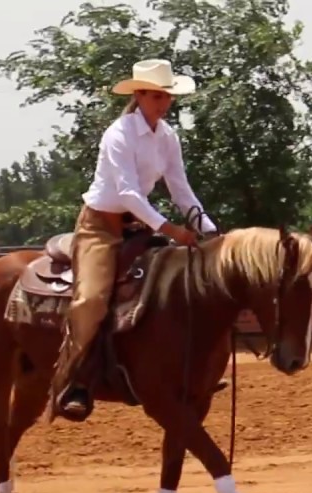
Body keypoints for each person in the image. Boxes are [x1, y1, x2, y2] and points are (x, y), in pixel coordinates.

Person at [49, 58, 218, 422]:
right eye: (156, 95)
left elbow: (181, 189)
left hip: (139, 227)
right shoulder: (119, 135)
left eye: (167, 95)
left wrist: (210, 229)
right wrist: (170, 230)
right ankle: (74, 379)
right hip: (100, 226)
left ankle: (182, 368)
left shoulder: (167, 137)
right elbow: (126, 193)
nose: (163, 102)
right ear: (139, 95)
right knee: (91, 299)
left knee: (180, 289)